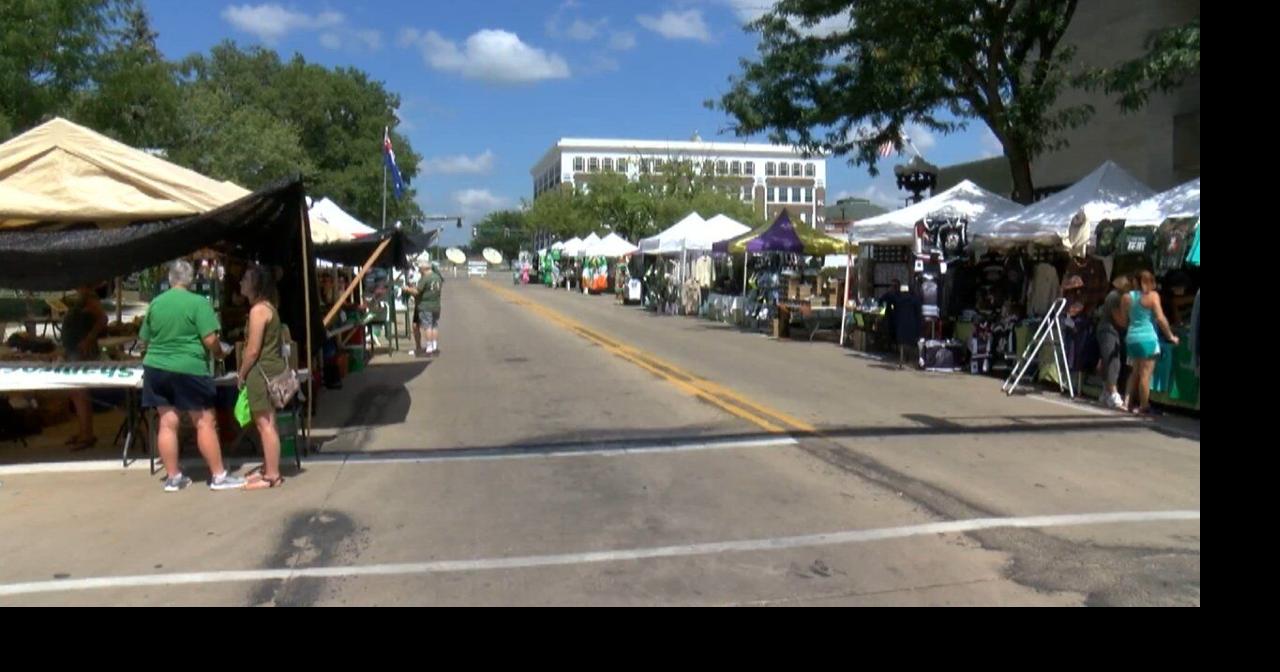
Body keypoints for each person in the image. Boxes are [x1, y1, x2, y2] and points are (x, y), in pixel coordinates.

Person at [139, 260, 245, 492]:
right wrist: (219, 352)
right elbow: (210, 340)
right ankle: (218, 475)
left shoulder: (156, 303)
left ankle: (173, 477)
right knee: (204, 421)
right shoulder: (198, 303)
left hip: (156, 368)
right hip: (189, 368)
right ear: (191, 280)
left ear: (170, 278)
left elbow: (144, 339)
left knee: (167, 423)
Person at [236, 264, 287, 490]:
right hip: (271, 369)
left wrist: (242, 372)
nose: (241, 283)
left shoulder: (258, 311)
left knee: (264, 424)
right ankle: (270, 468)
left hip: (261, 372)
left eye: (245, 279)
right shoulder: (269, 307)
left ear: (255, 284)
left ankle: (272, 475)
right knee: (269, 423)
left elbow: (253, 349)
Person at [1120, 270, 1180, 416]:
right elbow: (1160, 319)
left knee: (1134, 371)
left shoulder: (1127, 297)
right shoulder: (1153, 297)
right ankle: (1144, 405)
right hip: (1148, 338)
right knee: (1146, 375)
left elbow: (1124, 320)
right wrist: (1171, 336)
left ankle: (1126, 402)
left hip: (1132, 337)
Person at [63, 283, 108, 450]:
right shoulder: (79, 299)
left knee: (80, 392)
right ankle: (82, 430)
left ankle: (87, 434)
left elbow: (103, 319)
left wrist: (89, 338)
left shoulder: (90, 298)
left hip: (81, 351)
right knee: (75, 392)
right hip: (72, 349)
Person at [1095, 276, 1130, 409]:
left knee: (1108, 360)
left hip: (1113, 330)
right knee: (1112, 361)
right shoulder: (1114, 297)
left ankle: (1106, 392)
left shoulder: (1119, 297)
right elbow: (1119, 318)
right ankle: (1113, 393)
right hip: (1108, 330)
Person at [880, 279, 922, 370]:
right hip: (912, 325)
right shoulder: (915, 300)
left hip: (900, 325)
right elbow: (919, 314)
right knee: (911, 343)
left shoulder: (896, 299)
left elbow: (883, 300)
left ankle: (901, 361)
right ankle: (910, 361)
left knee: (902, 343)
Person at [404, 261, 444, 357]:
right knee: (434, 325)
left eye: (420, 268)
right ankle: (434, 345)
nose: (419, 270)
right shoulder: (437, 277)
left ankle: (429, 346)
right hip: (436, 305)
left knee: (427, 327)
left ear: (423, 269)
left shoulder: (426, 278)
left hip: (425, 305)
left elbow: (417, 291)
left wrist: (407, 289)